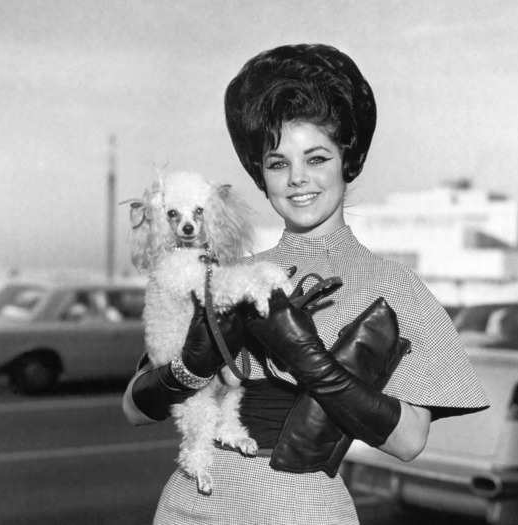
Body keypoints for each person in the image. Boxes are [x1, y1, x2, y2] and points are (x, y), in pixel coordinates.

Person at [122, 43, 490, 525]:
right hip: (193, 502)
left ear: (347, 160)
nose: (298, 179)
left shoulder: (395, 287)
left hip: (303, 507)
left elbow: (410, 440)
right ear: (261, 174)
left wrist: (307, 358)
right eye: (278, 164)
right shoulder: (228, 272)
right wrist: (193, 364)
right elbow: (134, 407)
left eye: (315, 158)